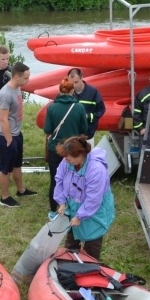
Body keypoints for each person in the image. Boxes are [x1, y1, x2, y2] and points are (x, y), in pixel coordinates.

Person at [53, 135, 115, 261]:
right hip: (74, 207)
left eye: (69, 159)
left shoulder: (96, 170)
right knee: (71, 245)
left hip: (95, 212)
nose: (66, 161)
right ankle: (69, 264)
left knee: (92, 248)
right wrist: (62, 202)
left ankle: (91, 267)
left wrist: (80, 216)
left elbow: (94, 199)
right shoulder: (66, 162)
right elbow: (59, 180)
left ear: (80, 155)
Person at [44, 78, 90, 213]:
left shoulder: (51, 107)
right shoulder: (79, 107)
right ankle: (71, 207)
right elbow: (84, 128)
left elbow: (47, 129)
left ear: (60, 90)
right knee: (74, 179)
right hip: (73, 149)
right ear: (72, 91)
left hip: (55, 148)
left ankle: (53, 210)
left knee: (55, 180)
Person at [0, 61, 37, 208]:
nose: (28, 80)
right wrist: (9, 140)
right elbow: (2, 119)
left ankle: (21, 190)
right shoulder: (5, 94)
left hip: (16, 134)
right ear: (17, 77)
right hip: (6, 136)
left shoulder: (17, 87)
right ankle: (4, 197)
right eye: (26, 78)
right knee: (5, 168)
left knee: (17, 164)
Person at [67, 68, 106, 140]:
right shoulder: (67, 93)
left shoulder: (93, 92)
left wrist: (88, 116)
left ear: (82, 77)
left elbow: (101, 110)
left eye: (76, 82)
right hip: (70, 135)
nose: (74, 86)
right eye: (71, 83)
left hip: (87, 134)